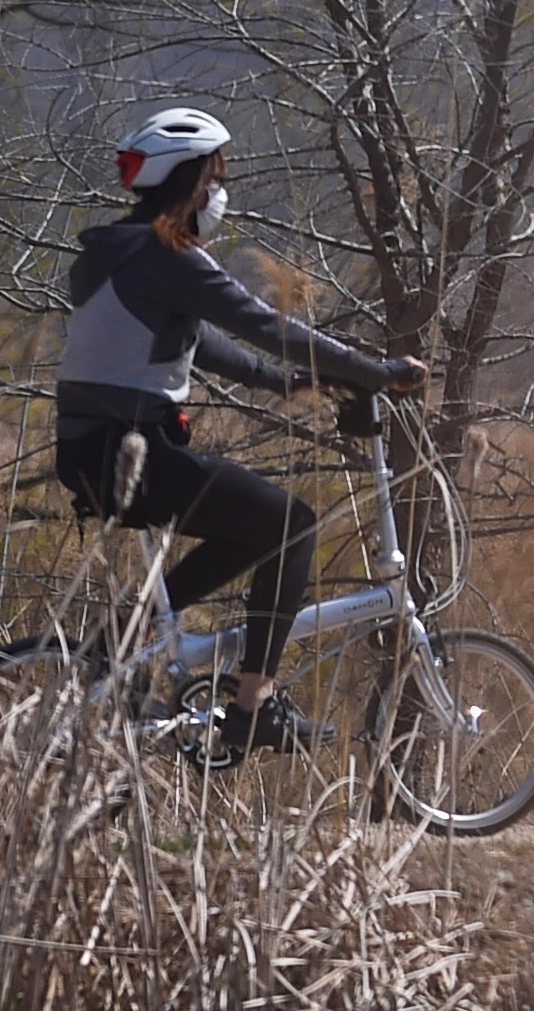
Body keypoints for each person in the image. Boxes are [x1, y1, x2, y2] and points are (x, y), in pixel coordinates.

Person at [56, 106, 427, 759]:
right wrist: (376, 370)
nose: (221, 191)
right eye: (217, 176)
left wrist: (288, 384)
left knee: (255, 530)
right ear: (190, 182)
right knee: (293, 524)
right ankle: (254, 706)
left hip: (96, 449)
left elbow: (201, 344)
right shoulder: (167, 254)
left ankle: (118, 635)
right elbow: (265, 325)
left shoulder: (115, 253)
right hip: (128, 452)